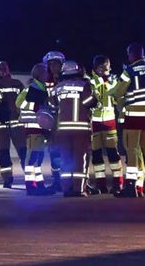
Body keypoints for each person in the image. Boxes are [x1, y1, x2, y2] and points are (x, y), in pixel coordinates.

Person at [113, 43, 145, 198]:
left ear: (131, 54)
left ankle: (131, 186)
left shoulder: (129, 71)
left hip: (134, 115)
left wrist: (110, 95)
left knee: (132, 149)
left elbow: (118, 91)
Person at [49, 61, 97, 197]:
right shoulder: (84, 85)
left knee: (65, 159)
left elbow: (52, 105)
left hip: (63, 129)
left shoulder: (58, 87)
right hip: (81, 129)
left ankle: (66, 189)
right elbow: (90, 102)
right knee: (80, 159)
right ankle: (79, 189)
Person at [16, 63, 54, 196]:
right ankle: (31, 186)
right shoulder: (31, 88)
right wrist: (35, 106)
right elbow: (19, 103)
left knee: (38, 159)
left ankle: (39, 185)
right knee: (31, 159)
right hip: (32, 128)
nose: (47, 75)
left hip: (39, 128)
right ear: (39, 74)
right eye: (45, 72)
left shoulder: (41, 88)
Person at [87, 55, 123, 194]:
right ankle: (100, 184)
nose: (103, 69)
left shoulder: (114, 81)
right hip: (94, 122)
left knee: (113, 153)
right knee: (96, 154)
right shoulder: (90, 82)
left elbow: (117, 98)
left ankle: (117, 183)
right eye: (100, 67)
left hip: (109, 121)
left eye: (106, 66)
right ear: (95, 68)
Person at [43, 51, 66, 193]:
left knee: (69, 153)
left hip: (67, 122)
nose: (53, 67)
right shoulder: (46, 83)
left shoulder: (67, 80)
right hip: (52, 124)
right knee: (54, 153)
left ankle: (70, 181)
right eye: (50, 64)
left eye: (56, 64)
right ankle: (57, 180)